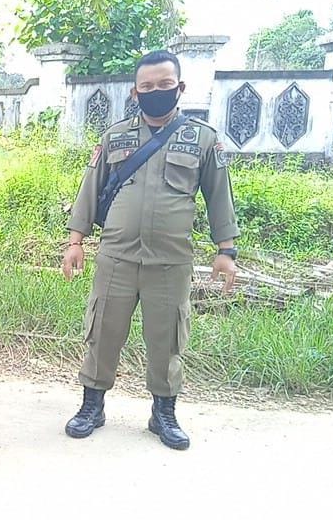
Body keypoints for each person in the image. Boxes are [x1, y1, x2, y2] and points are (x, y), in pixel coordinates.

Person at [61, 50, 240, 450]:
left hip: (170, 261)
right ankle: (93, 405)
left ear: (180, 87)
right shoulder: (115, 136)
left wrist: (225, 250)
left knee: (167, 338)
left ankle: (163, 413)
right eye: (147, 87)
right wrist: (76, 241)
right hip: (116, 256)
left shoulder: (203, 140)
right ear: (135, 92)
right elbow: (89, 189)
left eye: (164, 85)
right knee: (102, 331)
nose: (156, 92)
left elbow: (218, 196)